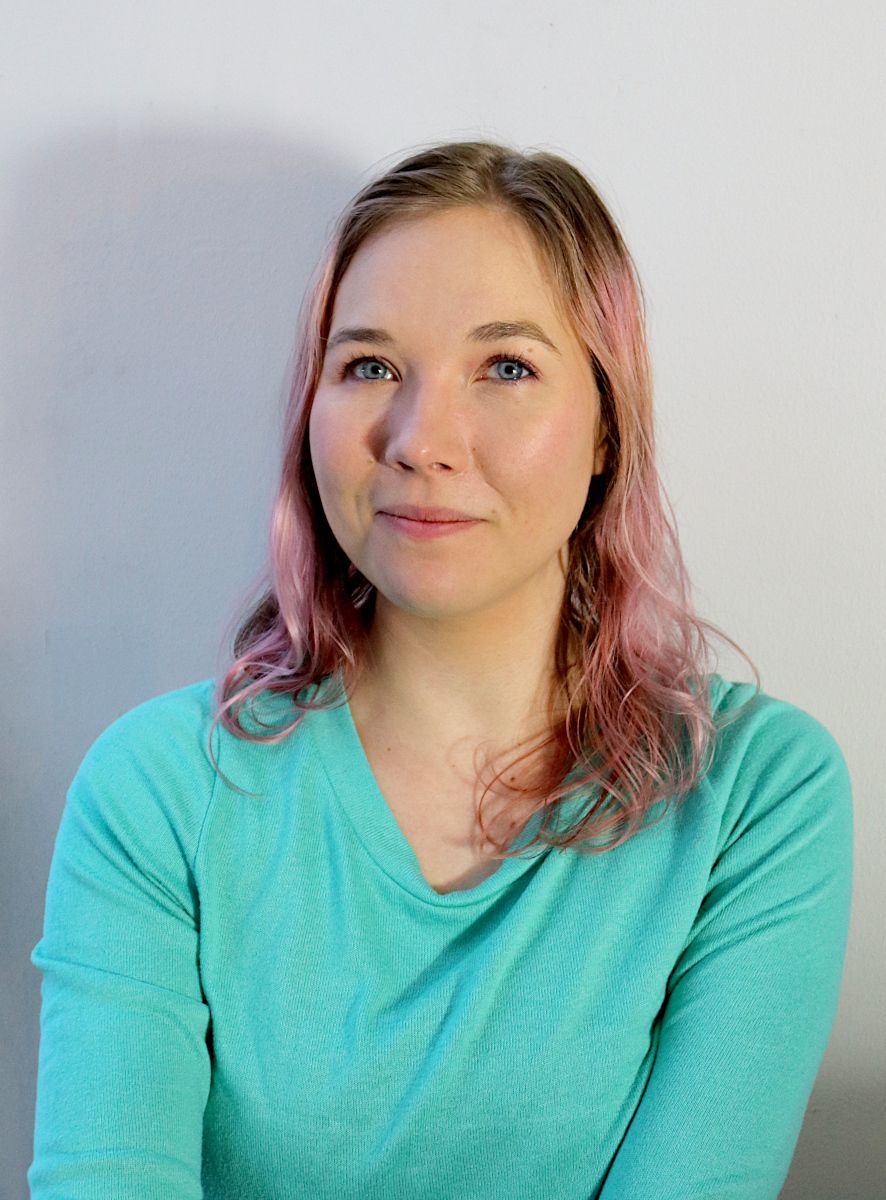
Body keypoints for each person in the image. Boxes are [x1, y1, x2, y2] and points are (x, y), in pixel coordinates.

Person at [28, 140, 853, 1199]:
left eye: (505, 367)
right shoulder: (156, 792)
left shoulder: (753, 795)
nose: (421, 439)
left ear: (608, 427)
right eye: (369, 365)